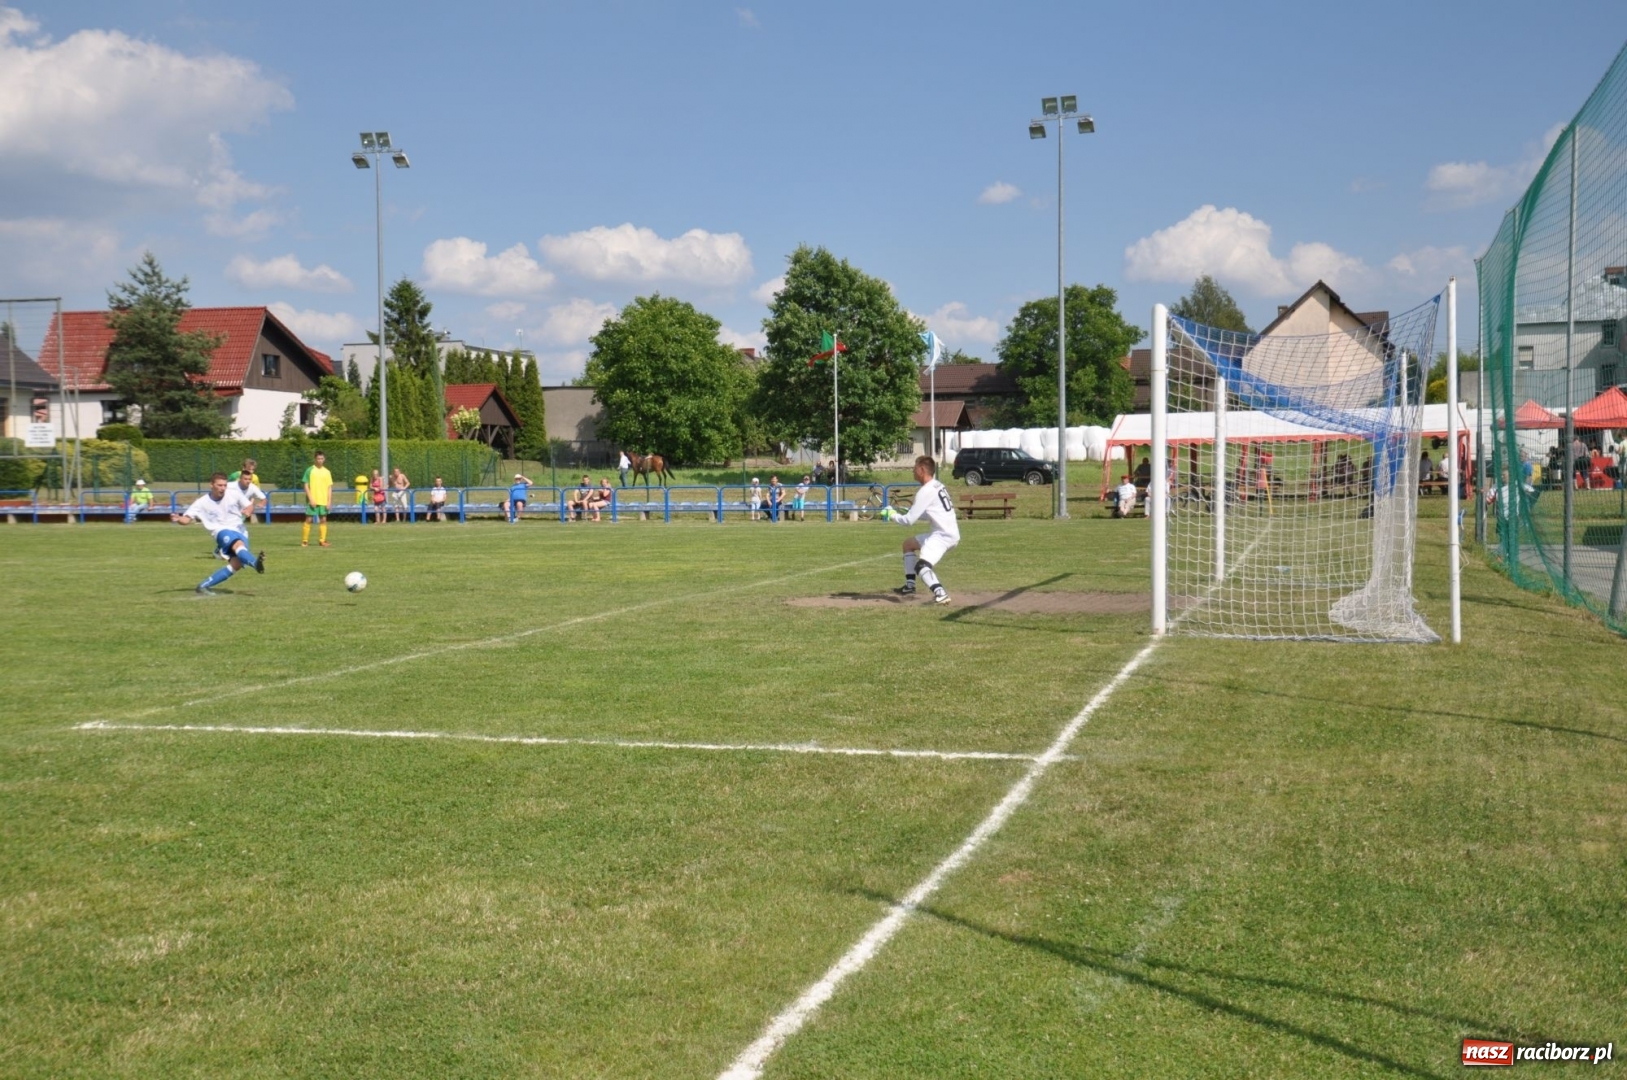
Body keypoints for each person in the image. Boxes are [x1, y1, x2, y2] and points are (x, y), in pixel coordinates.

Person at [879, 456, 960, 604]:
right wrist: (908, 511)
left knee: (922, 566)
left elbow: (908, 521)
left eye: (914, 468)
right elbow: (929, 513)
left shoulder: (925, 491)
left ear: (922, 470)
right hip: (947, 532)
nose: (912, 471)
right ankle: (910, 586)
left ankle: (940, 593)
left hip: (943, 536)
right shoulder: (937, 485)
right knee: (908, 545)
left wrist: (892, 515)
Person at [172, 473, 265, 594]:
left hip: (240, 530)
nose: (223, 488)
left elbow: (249, 506)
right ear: (211, 485)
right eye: (219, 485)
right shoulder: (201, 502)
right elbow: (187, 519)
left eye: (225, 485)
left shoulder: (234, 494)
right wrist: (179, 519)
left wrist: (248, 510)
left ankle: (203, 586)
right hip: (221, 531)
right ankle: (255, 563)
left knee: (236, 564)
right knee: (238, 544)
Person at [302, 451, 334, 547]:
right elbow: (306, 486)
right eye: (318, 459)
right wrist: (310, 499)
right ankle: (305, 541)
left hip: (323, 500)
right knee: (309, 519)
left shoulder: (327, 472)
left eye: (322, 459)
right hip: (313, 500)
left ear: (324, 459)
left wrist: (329, 501)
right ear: (315, 459)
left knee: (323, 519)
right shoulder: (310, 470)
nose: (320, 460)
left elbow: (329, 487)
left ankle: (322, 541)